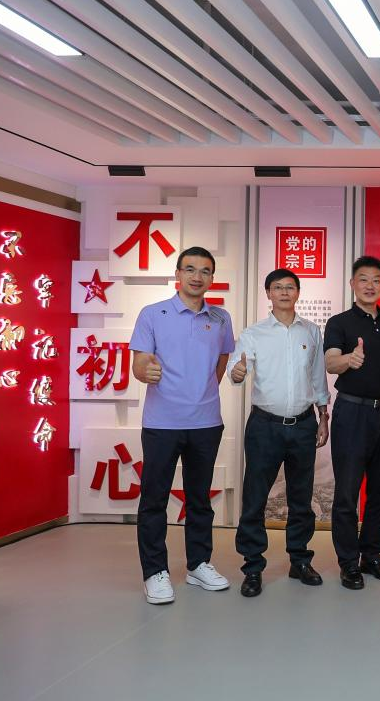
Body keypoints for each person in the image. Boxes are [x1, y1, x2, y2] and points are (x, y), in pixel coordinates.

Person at [129, 246, 234, 605]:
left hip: (207, 423)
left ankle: (198, 564)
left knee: (200, 498)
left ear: (211, 277)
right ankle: (154, 572)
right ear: (177, 274)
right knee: (154, 500)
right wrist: (145, 372)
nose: (197, 277)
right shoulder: (152, 313)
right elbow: (140, 361)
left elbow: (221, 361)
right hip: (162, 423)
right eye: (190, 269)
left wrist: (199, 391)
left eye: (205, 271)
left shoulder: (220, 318)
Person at [227, 269, 330, 598]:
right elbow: (236, 370)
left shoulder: (311, 331)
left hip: (303, 424)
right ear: (268, 294)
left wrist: (323, 415)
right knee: (255, 498)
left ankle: (299, 560)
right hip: (265, 426)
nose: (284, 292)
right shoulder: (254, 333)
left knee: (301, 498)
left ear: (298, 293)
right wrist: (237, 372)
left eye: (290, 287)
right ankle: (253, 566)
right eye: (277, 287)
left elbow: (318, 377)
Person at [324, 256, 380, 590]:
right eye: (363, 279)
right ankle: (348, 562)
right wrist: (350, 358)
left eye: (376, 280)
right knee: (347, 492)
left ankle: (371, 554)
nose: (370, 285)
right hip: (352, 413)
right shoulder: (340, 322)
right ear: (352, 284)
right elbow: (331, 363)